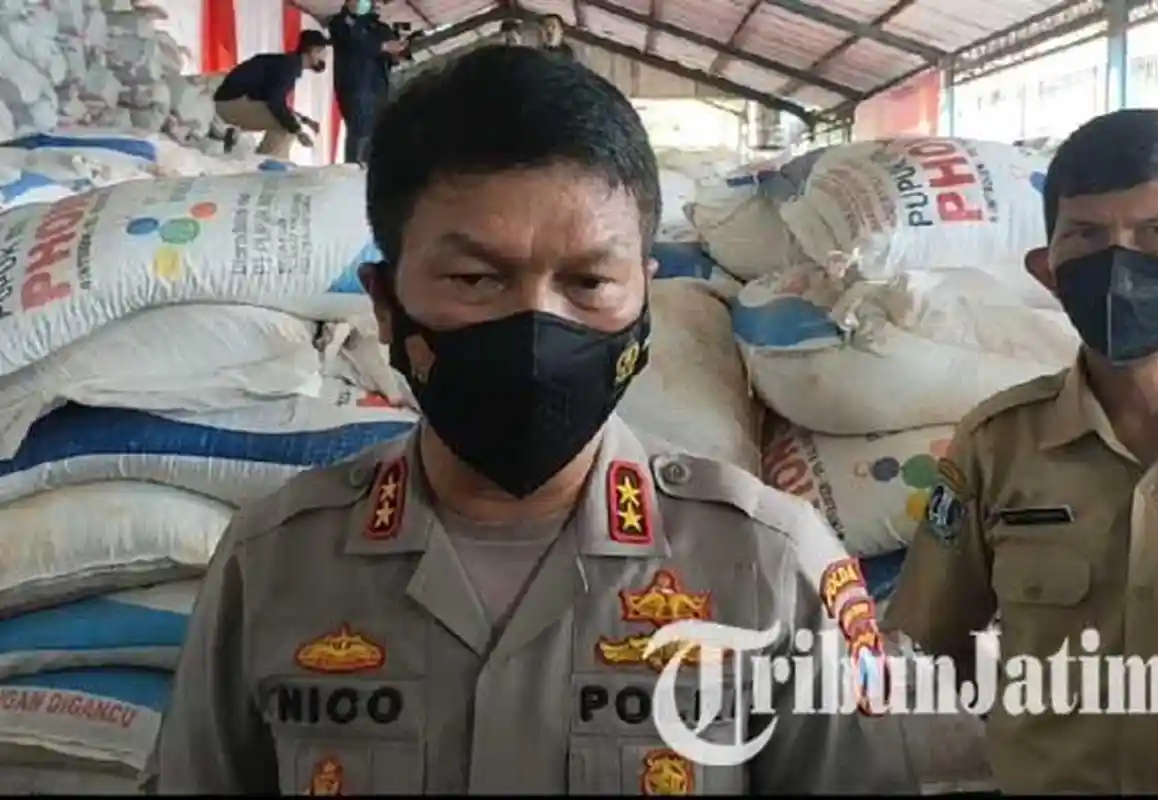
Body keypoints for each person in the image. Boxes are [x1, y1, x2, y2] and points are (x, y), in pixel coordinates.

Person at [141, 45, 916, 794]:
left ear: (645, 300)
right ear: (384, 303)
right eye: (477, 278)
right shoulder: (275, 564)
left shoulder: (770, 566)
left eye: (588, 282)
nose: (537, 328)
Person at [884, 108, 1158, 793]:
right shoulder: (996, 447)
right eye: (1086, 236)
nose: (1121, 263)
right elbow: (929, 653)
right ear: (1048, 270)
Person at [212, 29, 329, 159]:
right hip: (228, 106)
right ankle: (265, 166)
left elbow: (271, 99)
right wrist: (298, 131)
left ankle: (266, 161)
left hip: (228, 103)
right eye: (323, 52)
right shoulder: (288, 68)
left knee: (288, 121)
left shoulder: (285, 64)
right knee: (286, 125)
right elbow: (275, 103)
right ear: (313, 51)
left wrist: (305, 120)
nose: (325, 57)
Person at [325, 0, 406, 164]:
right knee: (360, 132)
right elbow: (356, 42)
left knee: (377, 135)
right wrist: (382, 46)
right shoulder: (341, 22)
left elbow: (389, 53)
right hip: (355, 88)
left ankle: (372, 174)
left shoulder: (379, 27)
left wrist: (399, 49)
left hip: (380, 89)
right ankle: (353, 173)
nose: (375, 3)